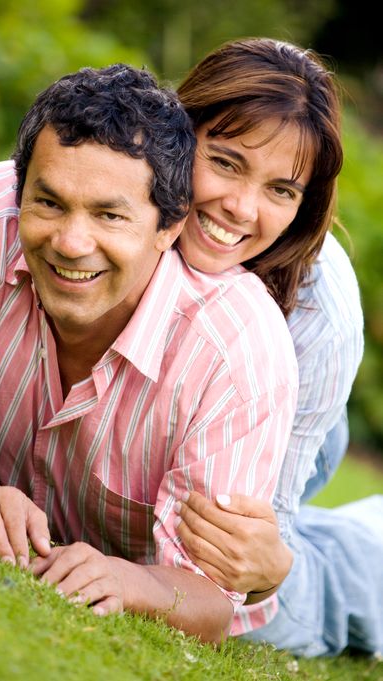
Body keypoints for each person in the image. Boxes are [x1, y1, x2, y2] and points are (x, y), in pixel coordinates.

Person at [0, 63, 299, 643]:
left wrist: (129, 582)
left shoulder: (237, 349)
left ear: (170, 227)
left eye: (109, 215)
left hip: (292, 563)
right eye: (49, 203)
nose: (71, 243)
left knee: (332, 570)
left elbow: (213, 597)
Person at [172, 38, 383, 657]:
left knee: (266, 567)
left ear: (305, 203)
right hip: (179, 418)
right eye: (226, 162)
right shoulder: (124, 199)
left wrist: (264, 570)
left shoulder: (321, 310)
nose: (241, 209)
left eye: (281, 191)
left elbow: (253, 537)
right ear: (178, 134)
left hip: (292, 429)